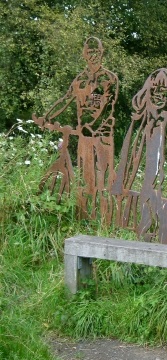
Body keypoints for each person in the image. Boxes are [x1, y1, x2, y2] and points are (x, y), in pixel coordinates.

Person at [33, 37, 119, 223]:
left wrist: (92, 127)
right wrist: (46, 117)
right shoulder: (80, 79)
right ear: (84, 54)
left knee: (103, 179)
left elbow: (108, 107)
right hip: (84, 138)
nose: (93, 56)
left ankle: (106, 221)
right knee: (85, 178)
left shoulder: (108, 78)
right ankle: (84, 219)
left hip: (102, 137)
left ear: (102, 53)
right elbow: (65, 100)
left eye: (96, 52)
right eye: (89, 52)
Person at [111, 68, 167, 244]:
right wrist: (120, 184)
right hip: (144, 190)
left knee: (163, 223)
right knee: (143, 215)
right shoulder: (141, 123)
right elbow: (127, 153)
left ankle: (161, 254)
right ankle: (143, 245)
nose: (158, 95)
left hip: (166, 191)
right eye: (155, 90)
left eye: (163, 92)